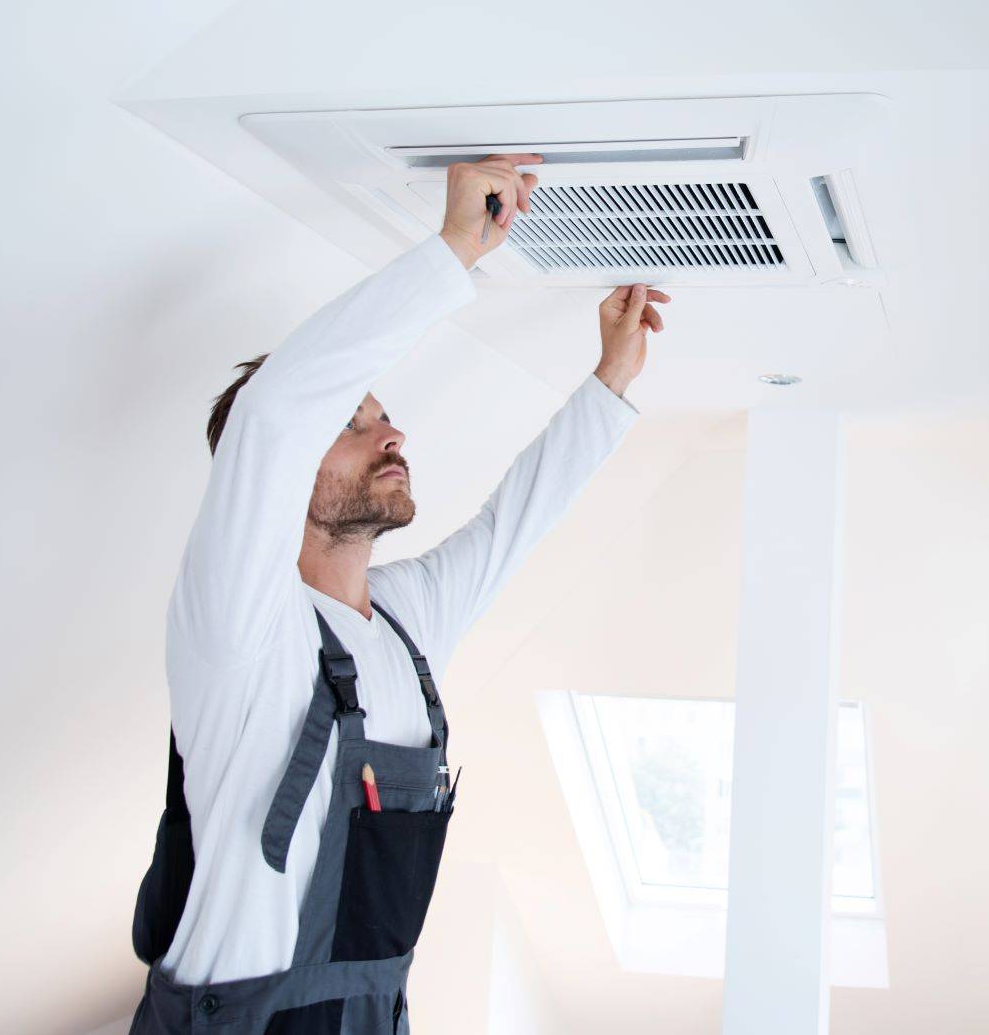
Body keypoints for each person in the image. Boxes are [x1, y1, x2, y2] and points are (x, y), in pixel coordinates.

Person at [129, 155, 668, 1033]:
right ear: (275, 479)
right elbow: (271, 416)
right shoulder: (236, 626)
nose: (393, 433)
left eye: (378, 415)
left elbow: (512, 527)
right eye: (353, 421)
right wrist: (455, 249)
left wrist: (610, 379)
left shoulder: (406, 625)